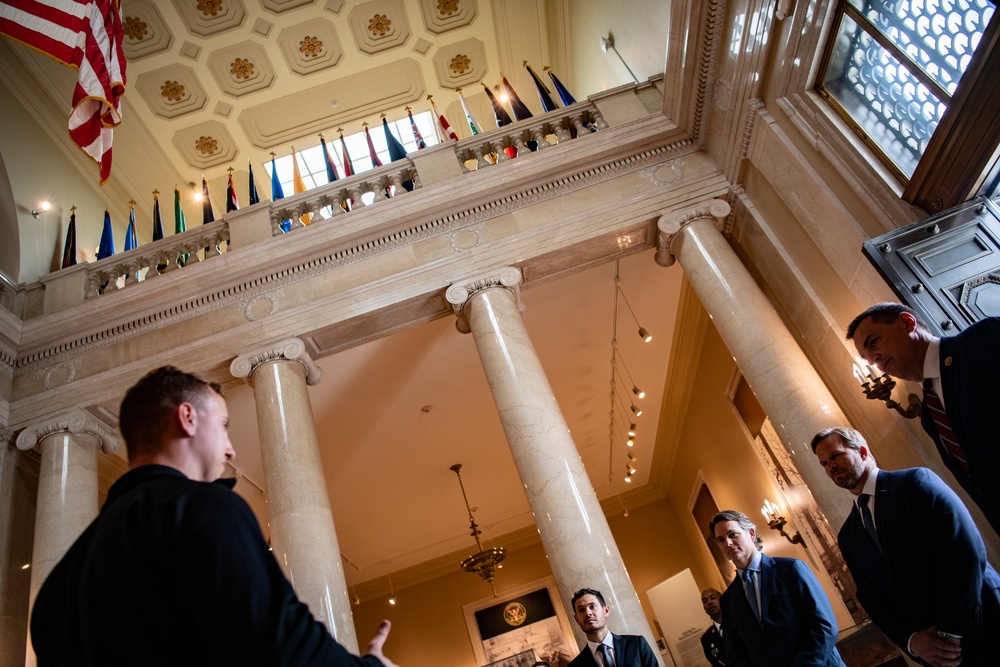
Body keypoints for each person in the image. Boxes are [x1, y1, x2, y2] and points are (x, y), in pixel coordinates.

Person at [30, 366, 399, 667]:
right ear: (187, 417)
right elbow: (279, 649)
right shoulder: (201, 508)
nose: (231, 448)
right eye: (223, 425)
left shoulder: (60, 583)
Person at [811, 426, 1000, 667]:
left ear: (862, 451)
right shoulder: (849, 535)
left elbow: (965, 551)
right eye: (824, 463)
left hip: (984, 622)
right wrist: (913, 641)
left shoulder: (915, 483)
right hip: (933, 653)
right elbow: (872, 599)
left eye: (835, 455)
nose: (830, 467)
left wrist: (950, 633)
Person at [846, 302, 1000, 535]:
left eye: (874, 342)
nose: (874, 360)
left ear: (908, 323)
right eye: (867, 358)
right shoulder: (929, 414)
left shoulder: (981, 340)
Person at [709, 510, 844, 667]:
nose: (728, 543)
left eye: (732, 534)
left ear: (751, 534)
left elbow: (825, 627)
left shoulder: (791, 569)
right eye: (721, 540)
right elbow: (737, 655)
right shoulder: (728, 600)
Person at [567, 588, 658, 667]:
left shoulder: (637, 644)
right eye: (581, 610)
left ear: (606, 611)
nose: (588, 613)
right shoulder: (575, 665)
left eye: (592, 606)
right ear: (577, 620)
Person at [699, 588, 727, 667]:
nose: (709, 602)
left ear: (723, 599)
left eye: (713, 598)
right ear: (704, 608)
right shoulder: (706, 639)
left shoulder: (739, 624)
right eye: (705, 601)